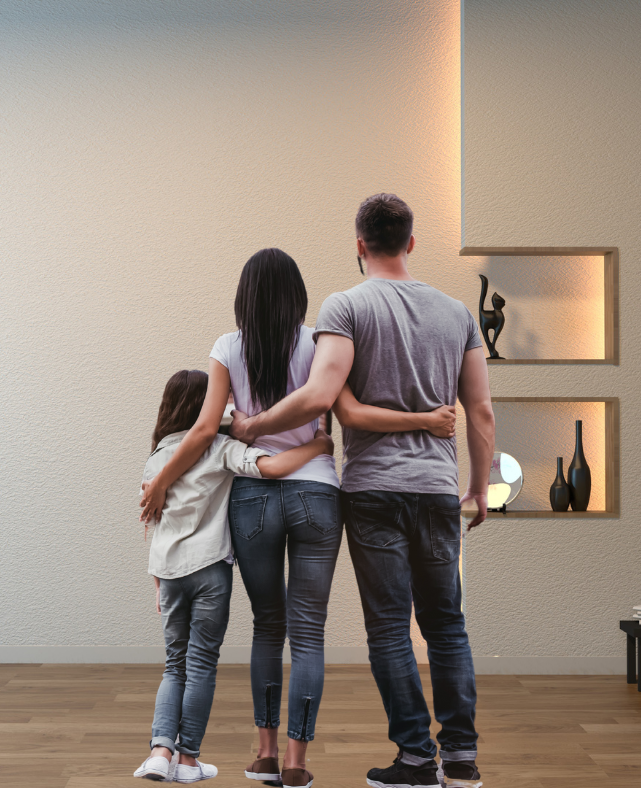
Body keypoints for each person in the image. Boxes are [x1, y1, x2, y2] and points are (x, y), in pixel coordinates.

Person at [140, 249, 458, 788]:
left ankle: (262, 756)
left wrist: (163, 480)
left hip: (254, 499)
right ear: (298, 295)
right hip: (316, 494)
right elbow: (347, 410)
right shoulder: (320, 342)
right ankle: (295, 763)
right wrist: (415, 422)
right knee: (308, 633)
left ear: (243, 295)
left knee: (268, 626)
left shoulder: (227, 347)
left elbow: (200, 432)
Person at [230, 195, 496, 788]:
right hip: (435, 490)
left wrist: (253, 426)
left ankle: (414, 760)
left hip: (373, 489)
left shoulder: (346, 307)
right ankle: (461, 757)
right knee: (446, 624)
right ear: (411, 242)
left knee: (388, 628)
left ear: (359, 245)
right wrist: (479, 488)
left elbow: (323, 397)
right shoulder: (457, 314)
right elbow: (479, 410)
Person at [135, 368, 335, 783]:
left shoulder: (156, 460)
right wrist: (319, 444)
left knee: (174, 665)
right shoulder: (220, 448)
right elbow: (275, 466)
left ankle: (158, 752)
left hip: (168, 575)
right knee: (202, 663)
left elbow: (154, 525)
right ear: (206, 409)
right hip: (209, 572)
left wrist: (158, 584)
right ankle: (188, 760)